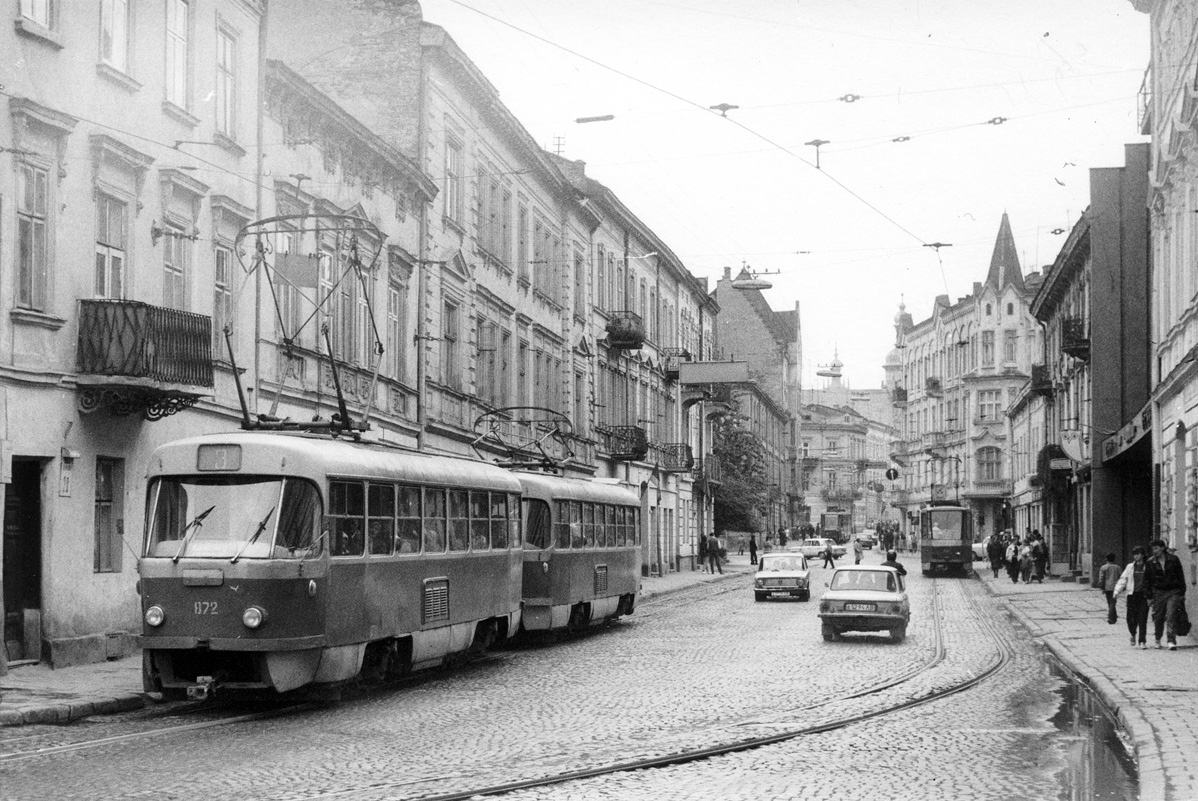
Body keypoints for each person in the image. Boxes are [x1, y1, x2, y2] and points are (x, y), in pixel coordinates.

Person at [1144, 538, 1186, 650]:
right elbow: (1147, 580)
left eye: (1156, 548)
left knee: (1171, 615)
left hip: (1173, 591)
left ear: (1162, 548)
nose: (1154, 551)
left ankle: (1171, 640)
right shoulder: (1150, 562)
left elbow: (1180, 575)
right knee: (1158, 617)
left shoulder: (1173, 559)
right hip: (1158, 592)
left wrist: (1182, 592)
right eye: (1153, 549)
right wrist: (1149, 596)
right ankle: (1158, 638)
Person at [1114, 546, 1151, 648]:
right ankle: (1133, 633)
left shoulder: (1148, 566)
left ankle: (1142, 641)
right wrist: (1117, 591)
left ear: (1142, 555)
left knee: (1142, 618)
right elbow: (1123, 579)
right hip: (1132, 595)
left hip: (1144, 595)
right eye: (1134, 554)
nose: (1136, 556)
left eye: (1138, 554)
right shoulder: (1130, 567)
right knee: (1130, 618)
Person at [1098, 552, 1121, 625]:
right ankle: (1113, 616)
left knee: (1110, 602)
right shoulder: (1117, 567)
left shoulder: (1103, 567)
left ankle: (1111, 617)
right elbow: (1121, 577)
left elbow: (1101, 578)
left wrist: (1101, 586)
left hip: (1107, 587)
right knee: (1113, 602)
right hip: (1116, 587)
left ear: (1106, 559)